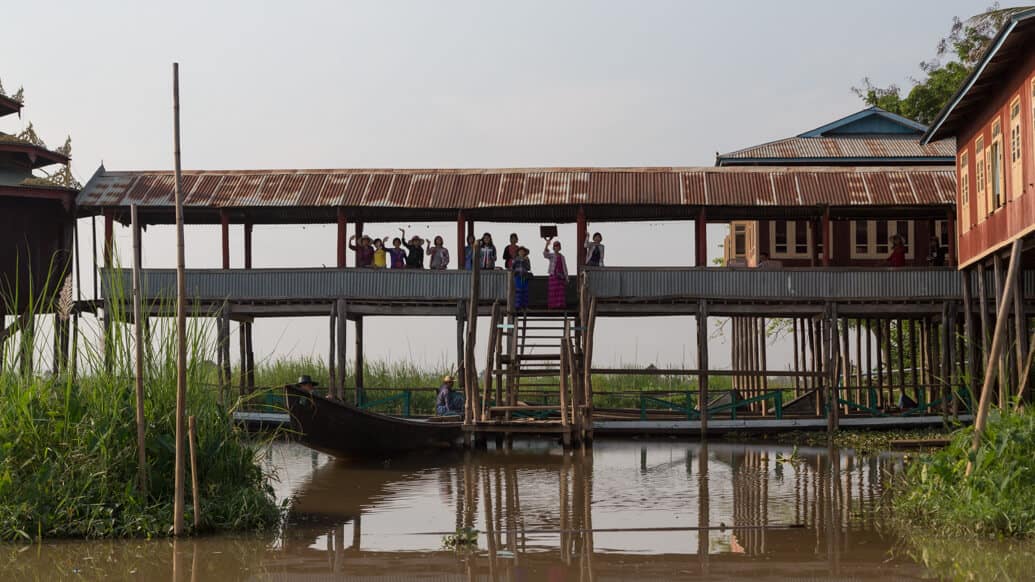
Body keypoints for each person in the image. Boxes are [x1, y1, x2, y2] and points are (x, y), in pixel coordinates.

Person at [543, 237, 568, 309]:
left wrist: (566, 277)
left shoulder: (562, 257)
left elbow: (564, 267)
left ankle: (560, 305)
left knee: (560, 291)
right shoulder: (552, 255)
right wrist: (547, 245)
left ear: (560, 248)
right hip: (553, 275)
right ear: (554, 248)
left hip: (561, 276)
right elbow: (545, 254)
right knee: (553, 290)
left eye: (558, 246)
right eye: (555, 246)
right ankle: (553, 305)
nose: (557, 247)